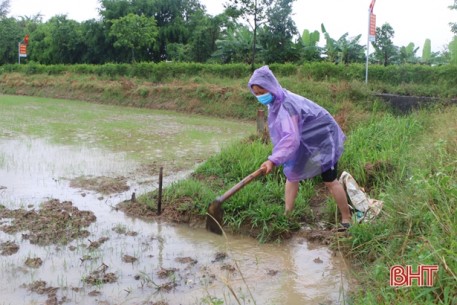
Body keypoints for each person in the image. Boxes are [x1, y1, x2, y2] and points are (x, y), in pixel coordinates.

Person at [248, 65, 351, 230]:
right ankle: (287, 215)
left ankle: (347, 220)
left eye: (262, 92)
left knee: (329, 179)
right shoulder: (275, 101)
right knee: (292, 174)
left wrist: (273, 160)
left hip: (324, 136)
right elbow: (288, 134)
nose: (260, 96)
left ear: (271, 87)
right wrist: (277, 157)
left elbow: (291, 138)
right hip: (304, 137)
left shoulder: (287, 104)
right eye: (257, 94)